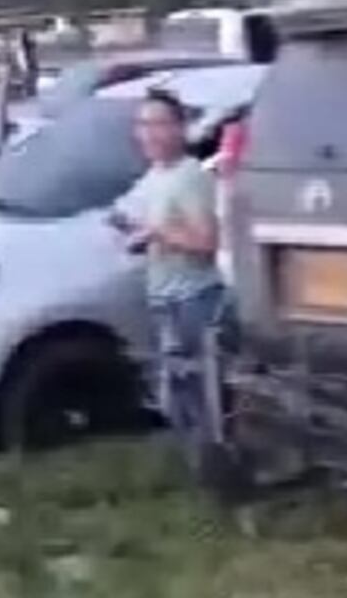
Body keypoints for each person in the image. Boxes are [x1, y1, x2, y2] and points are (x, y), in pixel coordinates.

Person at [108, 88, 223, 469]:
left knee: (201, 396)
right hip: (164, 297)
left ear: (180, 128)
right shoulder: (154, 176)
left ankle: (218, 469)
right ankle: (200, 466)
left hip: (194, 299)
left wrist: (157, 233)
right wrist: (129, 228)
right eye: (143, 124)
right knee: (176, 395)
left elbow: (206, 243)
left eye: (159, 124)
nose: (149, 133)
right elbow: (130, 217)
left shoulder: (191, 176)